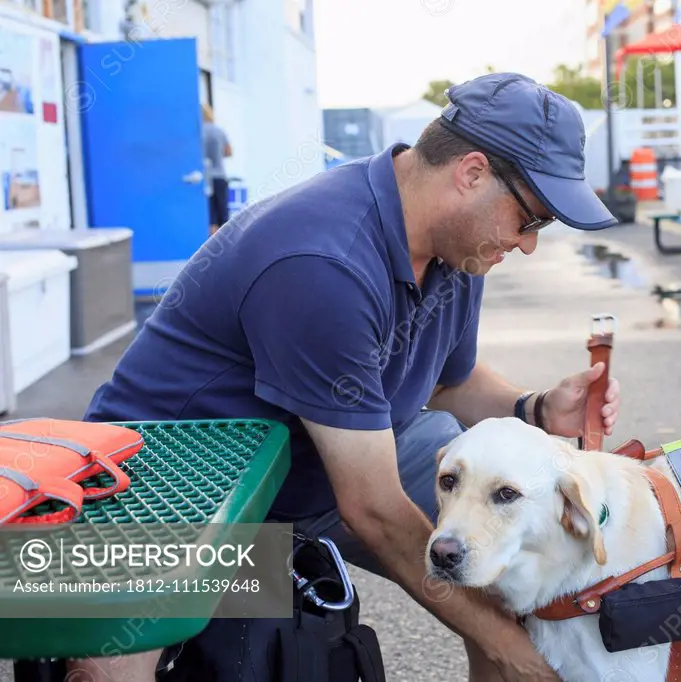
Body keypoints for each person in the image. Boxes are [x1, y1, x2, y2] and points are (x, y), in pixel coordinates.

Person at [72, 72, 621, 682]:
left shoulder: (457, 249)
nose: (526, 246)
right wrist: (504, 645)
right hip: (180, 477)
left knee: (507, 576)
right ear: (471, 173)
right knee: (112, 663)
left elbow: (447, 384)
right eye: (532, 221)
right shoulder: (323, 262)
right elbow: (374, 508)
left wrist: (538, 407)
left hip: (320, 461)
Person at [202, 103, 233, 235]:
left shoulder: (198, 133)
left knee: (211, 216)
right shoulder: (219, 131)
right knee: (222, 213)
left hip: (205, 178)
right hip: (219, 176)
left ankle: (210, 245)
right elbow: (228, 152)